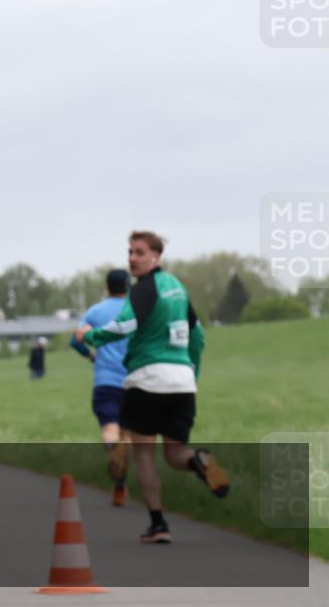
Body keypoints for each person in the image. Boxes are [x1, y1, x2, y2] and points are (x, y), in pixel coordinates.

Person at [76, 231, 230, 544]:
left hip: (146, 379)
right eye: (130, 252)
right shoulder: (178, 288)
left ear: (156, 257)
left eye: (140, 252)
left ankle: (158, 524)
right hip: (181, 381)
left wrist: (90, 336)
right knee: (176, 454)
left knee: (144, 453)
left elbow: (125, 326)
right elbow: (197, 336)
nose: (132, 258)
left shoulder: (144, 288)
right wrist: (192, 373)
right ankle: (201, 461)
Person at [70, 269, 131, 506]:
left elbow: (76, 340)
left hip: (105, 380)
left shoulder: (95, 311)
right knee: (127, 436)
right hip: (134, 380)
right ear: (128, 286)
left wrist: (90, 356)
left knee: (110, 427)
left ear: (107, 287)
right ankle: (120, 486)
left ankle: (111, 446)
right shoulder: (135, 309)